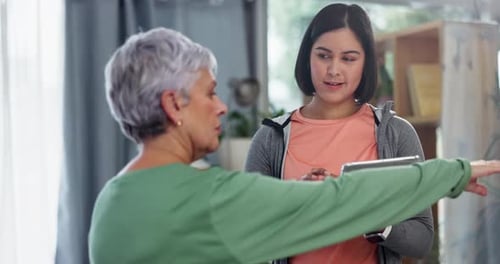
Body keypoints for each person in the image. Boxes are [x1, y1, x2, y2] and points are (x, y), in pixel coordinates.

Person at [88, 26, 500, 264]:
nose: (221, 107)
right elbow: (341, 200)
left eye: (350, 57)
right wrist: (453, 172)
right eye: (209, 93)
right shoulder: (214, 195)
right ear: (173, 103)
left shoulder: (110, 200)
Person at [245, 3, 432, 263]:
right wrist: (296, 200)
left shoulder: (396, 133)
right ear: (307, 57)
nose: (334, 70)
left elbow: (422, 239)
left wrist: (369, 215)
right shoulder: (270, 138)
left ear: (366, 62)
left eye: (348, 58)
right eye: (323, 55)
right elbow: (246, 234)